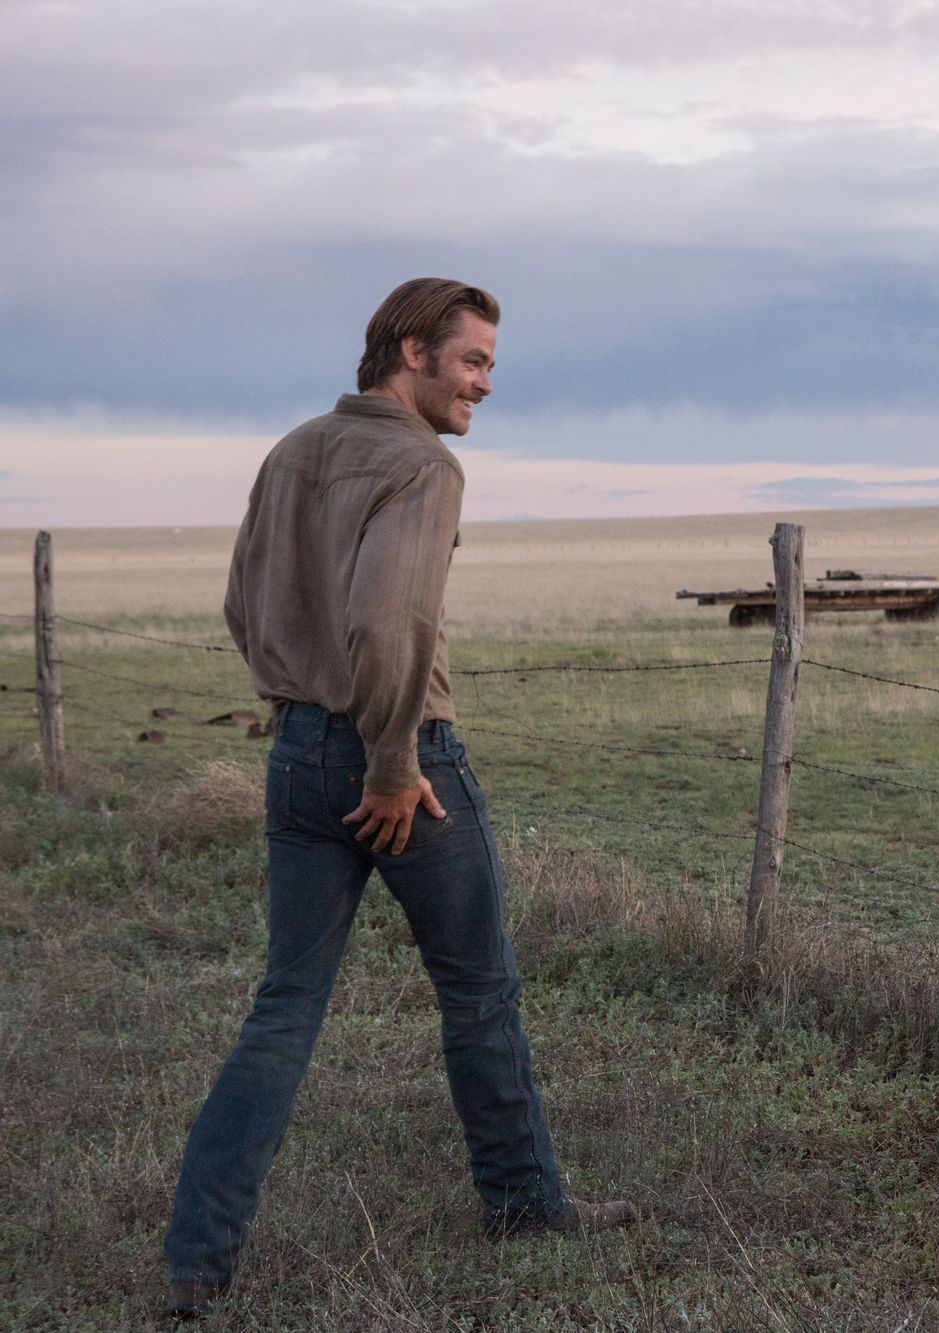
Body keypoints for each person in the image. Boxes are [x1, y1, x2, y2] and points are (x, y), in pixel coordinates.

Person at [164, 278, 636, 1321]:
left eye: (489, 366)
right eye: (473, 361)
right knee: (478, 989)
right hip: (405, 764)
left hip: (297, 753)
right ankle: (524, 1204)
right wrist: (386, 760)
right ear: (412, 351)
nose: (485, 383)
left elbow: (241, 603)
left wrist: (302, 712)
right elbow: (390, 622)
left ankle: (197, 1260)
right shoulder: (422, 464)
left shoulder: (294, 449)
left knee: (285, 1004)